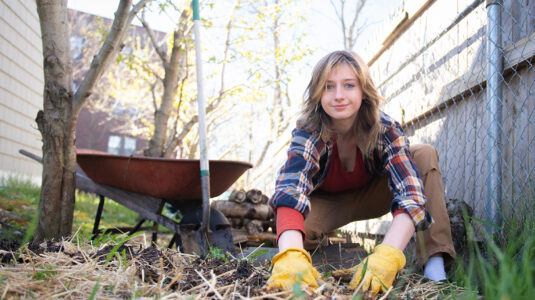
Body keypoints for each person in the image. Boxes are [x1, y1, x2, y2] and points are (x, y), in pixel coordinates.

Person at [266, 50, 456, 295]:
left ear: (363, 90)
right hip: (327, 203)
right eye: (328, 87)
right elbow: (291, 188)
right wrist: (290, 254)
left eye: (349, 85)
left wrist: (387, 256)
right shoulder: (310, 129)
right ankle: (320, 258)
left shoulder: (384, 127)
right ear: (317, 92)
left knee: (423, 153)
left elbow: (410, 193)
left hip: (376, 195)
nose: (338, 96)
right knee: (298, 231)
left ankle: (435, 266)